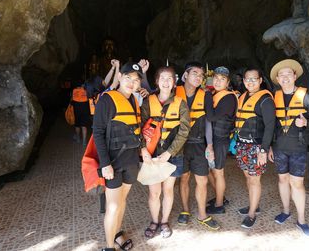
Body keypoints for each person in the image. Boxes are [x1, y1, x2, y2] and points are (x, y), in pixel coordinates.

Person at [93, 62, 143, 251]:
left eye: (136, 80)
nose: (132, 83)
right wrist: (105, 164)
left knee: (122, 200)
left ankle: (116, 234)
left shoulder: (134, 101)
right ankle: (108, 246)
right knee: (113, 205)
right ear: (120, 77)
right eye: (128, 78)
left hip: (130, 160)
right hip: (113, 162)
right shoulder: (107, 100)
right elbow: (97, 132)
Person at [268, 59, 309, 237]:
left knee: (296, 183)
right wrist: (268, 147)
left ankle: (302, 220)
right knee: (282, 180)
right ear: (277, 78)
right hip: (279, 147)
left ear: (295, 76)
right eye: (281, 75)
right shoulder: (274, 97)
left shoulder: (306, 96)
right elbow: (270, 125)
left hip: (298, 147)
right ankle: (285, 211)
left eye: (288, 74)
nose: (285, 77)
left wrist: (306, 122)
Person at [140, 66, 190, 239]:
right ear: (157, 81)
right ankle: (154, 221)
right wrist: (143, 149)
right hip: (153, 154)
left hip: (173, 155)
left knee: (168, 190)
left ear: (174, 82)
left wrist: (169, 152)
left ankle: (164, 221)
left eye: (170, 79)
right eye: (163, 78)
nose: (166, 82)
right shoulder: (148, 102)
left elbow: (184, 130)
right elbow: (139, 128)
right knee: (154, 192)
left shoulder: (180, 103)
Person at [176, 62, 220, 230]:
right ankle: (185, 210)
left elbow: (208, 120)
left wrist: (209, 145)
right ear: (185, 75)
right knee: (184, 178)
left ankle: (202, 214)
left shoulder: (205, 95)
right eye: (195, 73)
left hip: (199, 143)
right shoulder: (174, 91)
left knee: (202, 179)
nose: (198, 77)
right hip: (180, 144)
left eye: (201, 75)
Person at [235, 68, 275, 229]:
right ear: (243, 81)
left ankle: (252, 213)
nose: (250, 82)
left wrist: (264, 150)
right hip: (242, 145)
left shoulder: (265, 99)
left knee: (254, 179)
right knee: (248, 177)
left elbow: (270, 126)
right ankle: (254, 204)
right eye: (247, 79)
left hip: (256, 146)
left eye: (254, 79)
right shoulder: (243, 96)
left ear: (260, 80)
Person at [206, 66, 238, 214]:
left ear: (228, 82)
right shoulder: (215, 94)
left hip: (220, 140)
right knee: (211, 171)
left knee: (218, 172)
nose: (218, 81)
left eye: (222, 79)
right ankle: (221, 197)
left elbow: (211, 117)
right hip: (213, 140)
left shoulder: (229, 97)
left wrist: (206, 96)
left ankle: (219, 205)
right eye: (216, 78)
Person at [71, 81, 91, 146]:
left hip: (77, 112)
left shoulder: (74, 91)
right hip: (85, 112)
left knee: (77, 125)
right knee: (84, 126)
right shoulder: (86, 92)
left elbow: (71, 103)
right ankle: (84, 142)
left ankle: (78, 139)